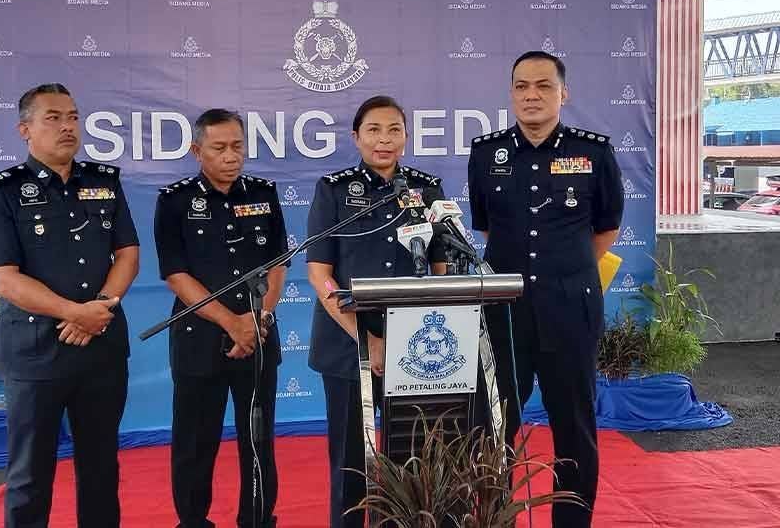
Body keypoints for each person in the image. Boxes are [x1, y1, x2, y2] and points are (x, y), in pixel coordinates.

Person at [467, 51, 624, 528]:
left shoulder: (593, 153)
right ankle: (495, 520)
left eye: (543, 86)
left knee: (573, 428)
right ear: (511, 93)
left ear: (563, 93)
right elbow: (486, 228)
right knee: (494, 428)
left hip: (570, 310)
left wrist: (562, 271)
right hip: (504, 312)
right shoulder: (485, 153)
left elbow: (606, 227)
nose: (531, 95)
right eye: (521, 86)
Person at [0, 83, 140, 528]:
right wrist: (73, 313)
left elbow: (128, 254)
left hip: (100, 349)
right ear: (25, 130)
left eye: (73, 117)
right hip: (35, 353)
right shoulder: (0, 191)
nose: (67, 126)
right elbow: (3, 279)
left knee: (101, 468)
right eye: (53, 118)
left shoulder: (104, 182)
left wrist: (99, 308)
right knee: (30, 474)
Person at [305, 95, 447, 528]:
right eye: (373, 130)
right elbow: (320, 276)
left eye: (394, 130)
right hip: (346, 344)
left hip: (415, 347)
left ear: (406, 137)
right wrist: (367, 342)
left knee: (408, 463)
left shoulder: (426, 189)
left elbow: (440, 270)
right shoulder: (333, 189)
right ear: (356, 137)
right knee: (350, 463)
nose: (384, 140)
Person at [153, 108, 289, 528]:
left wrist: (258, 318)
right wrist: (232, 324)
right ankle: (193, 521)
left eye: (237, 146)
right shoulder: (174, 200)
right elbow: (176, 275)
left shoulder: (264, 193)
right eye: (219, 148)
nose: (231, 156)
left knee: (258, 439)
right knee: (195, 442)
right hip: (199, 339)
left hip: (258, 336)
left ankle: (257, 519)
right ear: (197, 151)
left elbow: (278, 265)